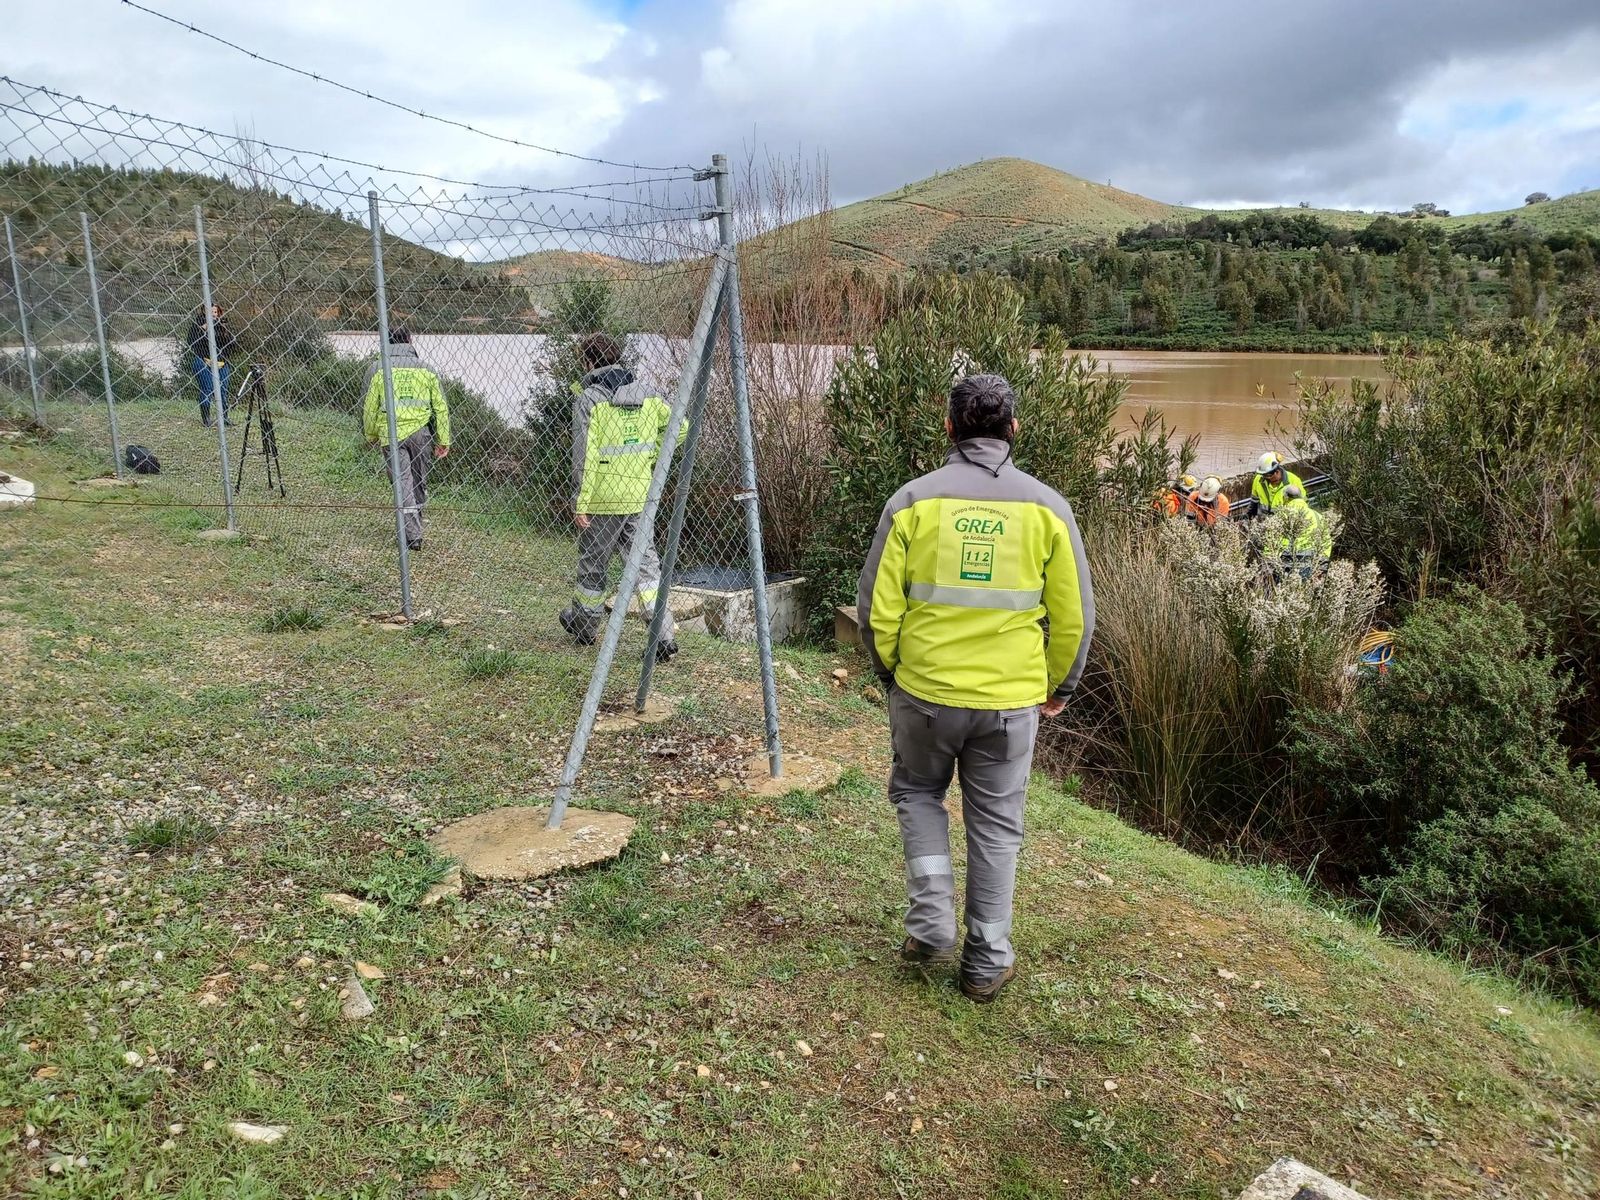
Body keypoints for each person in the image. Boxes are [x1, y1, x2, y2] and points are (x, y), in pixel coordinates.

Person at [857, 373, 1094, 1003]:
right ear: (1012, 429)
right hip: (1011, 704)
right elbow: (1074, 617)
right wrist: (1060, 684)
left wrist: (892, 673)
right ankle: (986, 961)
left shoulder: (911, 502)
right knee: (996, 827)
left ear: (950, 428)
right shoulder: (1049, 509)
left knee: (916, 793)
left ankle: (930, 923)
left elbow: (877, 608)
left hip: (924, 694)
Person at [558, 334, 678, 660]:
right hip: (639, 496)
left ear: (589, 362)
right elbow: (680, 427)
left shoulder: (588, 400)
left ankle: (584, 627)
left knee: (593, 568)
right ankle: (662, 635)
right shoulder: (649, 395)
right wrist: (649, 455)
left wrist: (580, 501)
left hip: (601, 500)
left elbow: (584, 455)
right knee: (646, 569)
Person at [362, 327, 449, 551]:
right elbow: (441, 408)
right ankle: (415, 529)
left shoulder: (378, 369)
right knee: (419, 481)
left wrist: (370, 433)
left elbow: (369, 407)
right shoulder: (427, 370)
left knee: (403, 483)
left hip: (391, 434)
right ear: (409, 341)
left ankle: (412, 533)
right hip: (421, 433)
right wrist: (444, 439)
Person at [185, 304, 238, 427]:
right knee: (207, 390)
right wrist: (203, 329)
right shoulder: (198, 325)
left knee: (223, 391)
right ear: (204, 312)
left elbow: (232, 344)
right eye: (210, 311)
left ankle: (224, 418)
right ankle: (206, 419)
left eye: (215, 312)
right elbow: (191, 342)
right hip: (204, 361)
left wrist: (223, 329)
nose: (213, 314)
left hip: (221, 363)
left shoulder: (223, 326)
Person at [1273, 485, 1331, 579]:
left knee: (1283, 591)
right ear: (1301, 497)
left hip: (1284, 563)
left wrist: (1268, 562)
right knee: (1305, 591)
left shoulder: (1280, 516)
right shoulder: (1317, 516)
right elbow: (1326, 541)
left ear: (1285, 498)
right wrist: (1323, 565)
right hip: (1310, 562)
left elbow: (1270, 540)